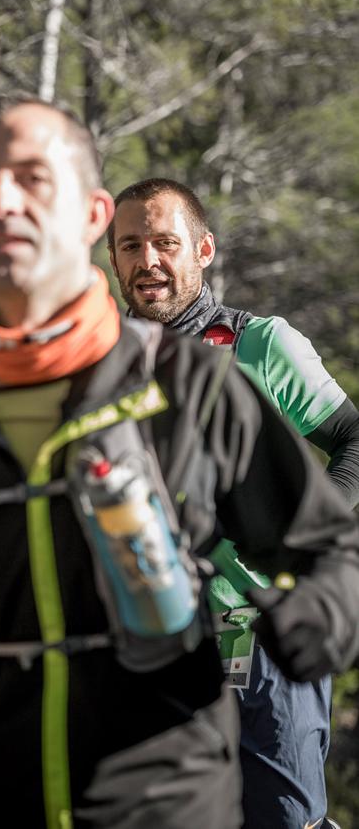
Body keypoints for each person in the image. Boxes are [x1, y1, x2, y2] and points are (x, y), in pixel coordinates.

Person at [0, 95, 359, 829]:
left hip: (165, 802)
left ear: (91, 215)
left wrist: (316, 619)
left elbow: (327, 551)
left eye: (32, 179)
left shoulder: (195, 386)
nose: (2, 200)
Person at [109, 177, 359, 829]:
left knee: (283, 819)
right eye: (130, 245)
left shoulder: (260, 344)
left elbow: (353, 439)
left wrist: (304, 536)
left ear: (204, 249)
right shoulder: (98, 367)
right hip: (141, 646)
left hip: (263, 639)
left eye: (165, 242)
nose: (148, 261)